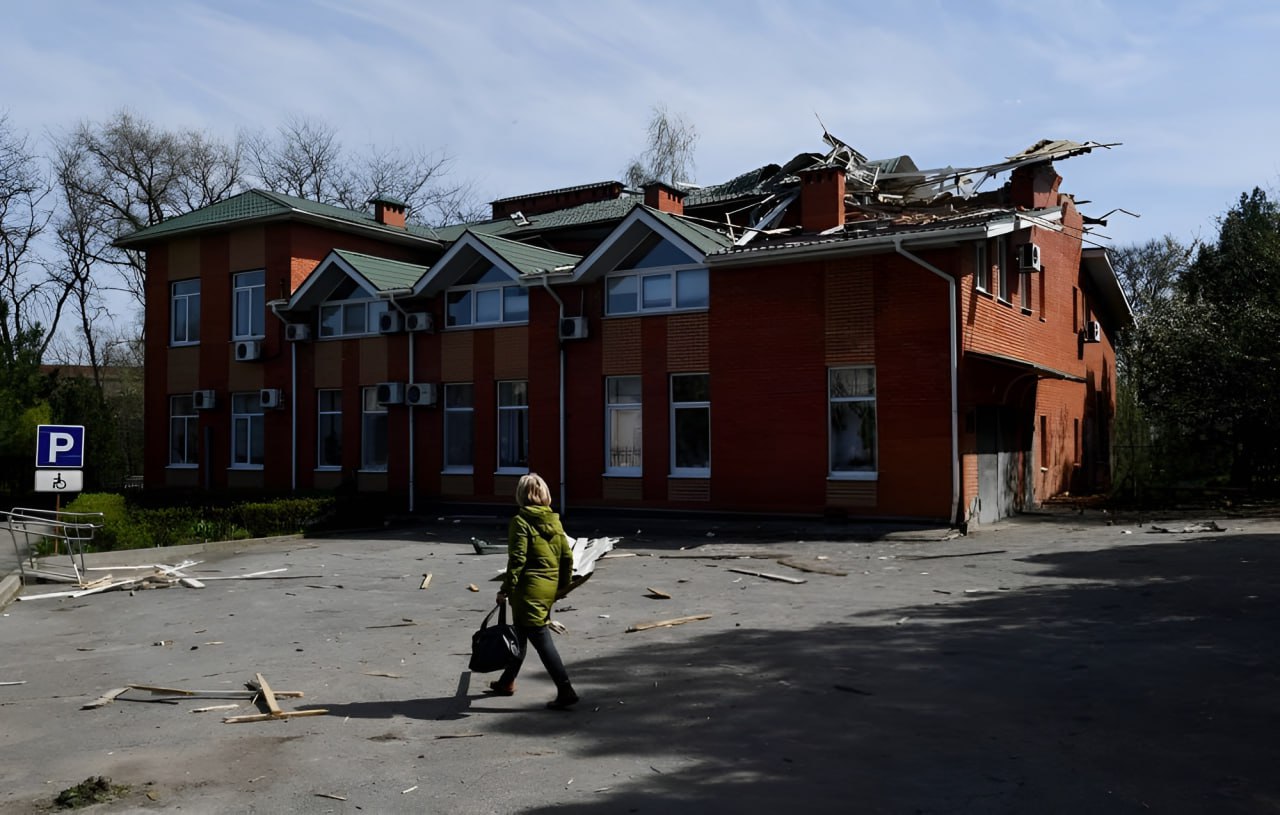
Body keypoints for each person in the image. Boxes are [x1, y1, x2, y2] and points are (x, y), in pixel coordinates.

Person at [489, 472, 579, 710]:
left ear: (521, 495)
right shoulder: (554, 520)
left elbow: (517, 559)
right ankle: (506, 682)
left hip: (527, 590)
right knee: (520, 635)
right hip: (547, 588)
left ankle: (566, 689)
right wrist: (561, 586)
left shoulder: (521, 521)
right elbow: (567, 557)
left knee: (540, 639)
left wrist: (505, 589)